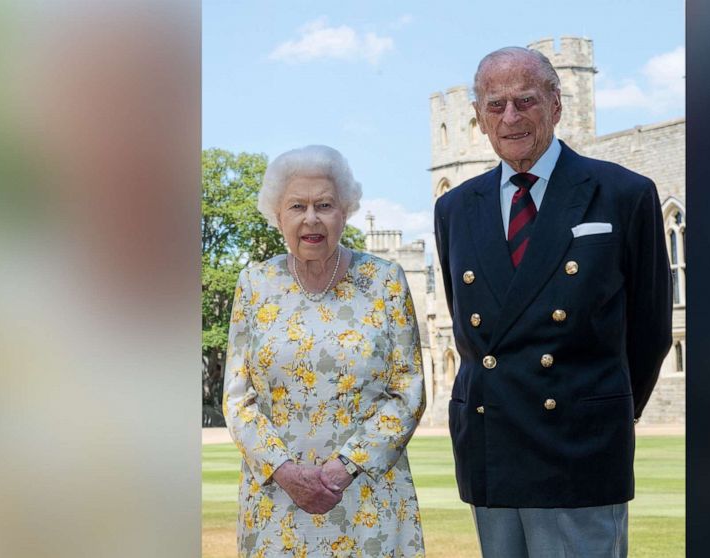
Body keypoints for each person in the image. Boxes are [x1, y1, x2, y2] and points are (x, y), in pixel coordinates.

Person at [433, 47, 673, 557]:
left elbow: (650, 330)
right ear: (478, 117)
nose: (511, 117)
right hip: (491, 447)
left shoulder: (623, 193)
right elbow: (468, 324)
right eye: (495, 105)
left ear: (557, 105)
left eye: (526, 101)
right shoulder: (454, 207)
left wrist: (597, 411)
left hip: (578, 447)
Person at [224, 145, 426, 557]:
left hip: (367, 496)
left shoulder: (385, 280)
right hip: (277, 501)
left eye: (325, 205)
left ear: (345, 211)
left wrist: (345, 466)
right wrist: (285, 471)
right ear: (277, 215)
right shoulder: (254, 284)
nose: (311, 218)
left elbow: (408, 390)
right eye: (297, 206)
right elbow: (237, 397)